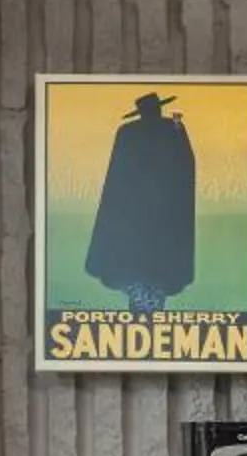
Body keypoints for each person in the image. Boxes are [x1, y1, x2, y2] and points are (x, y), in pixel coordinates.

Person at [83, 89, 198, 313]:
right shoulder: (142, 131)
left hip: (152, 201)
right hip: (147, 201)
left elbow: (185, 161)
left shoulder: (143, 130)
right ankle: (143, 284)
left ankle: (148, 285)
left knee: (151, 244)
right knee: (144, 244)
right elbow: (185, 161)